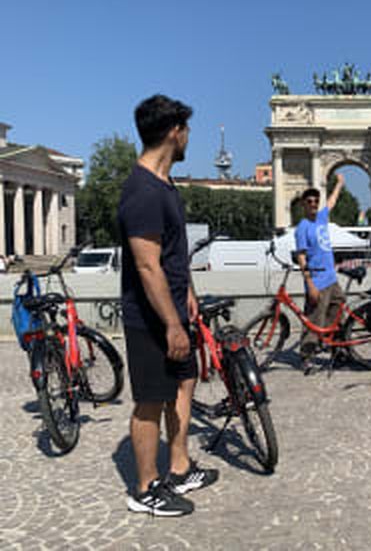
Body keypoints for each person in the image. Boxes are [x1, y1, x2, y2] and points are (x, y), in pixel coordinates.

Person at [118, 94, 218, 517]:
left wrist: (189, 292)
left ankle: (178, 466)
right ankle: (144, 488)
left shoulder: (164, 184)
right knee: (150, 401)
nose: (189, 136)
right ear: (174, 132)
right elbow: (147, 265)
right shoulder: (142, 191)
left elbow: (174, 255)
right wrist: (173, 325)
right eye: (187, 129)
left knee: (184, 383)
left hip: (175, 308)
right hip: (151, 318)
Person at [295, 173, 346, 374]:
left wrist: (339, 184)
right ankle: (306, 358)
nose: (314, 204)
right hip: (317, 280)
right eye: (310, 201)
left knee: (337, 316)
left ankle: (337, 352)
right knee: (313, 321)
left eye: (316, 201)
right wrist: (309, 284)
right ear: (303, 204)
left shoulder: (322, 217)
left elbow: (332, 201)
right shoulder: (302, 228)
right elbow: (301, 256)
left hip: (332, 278)